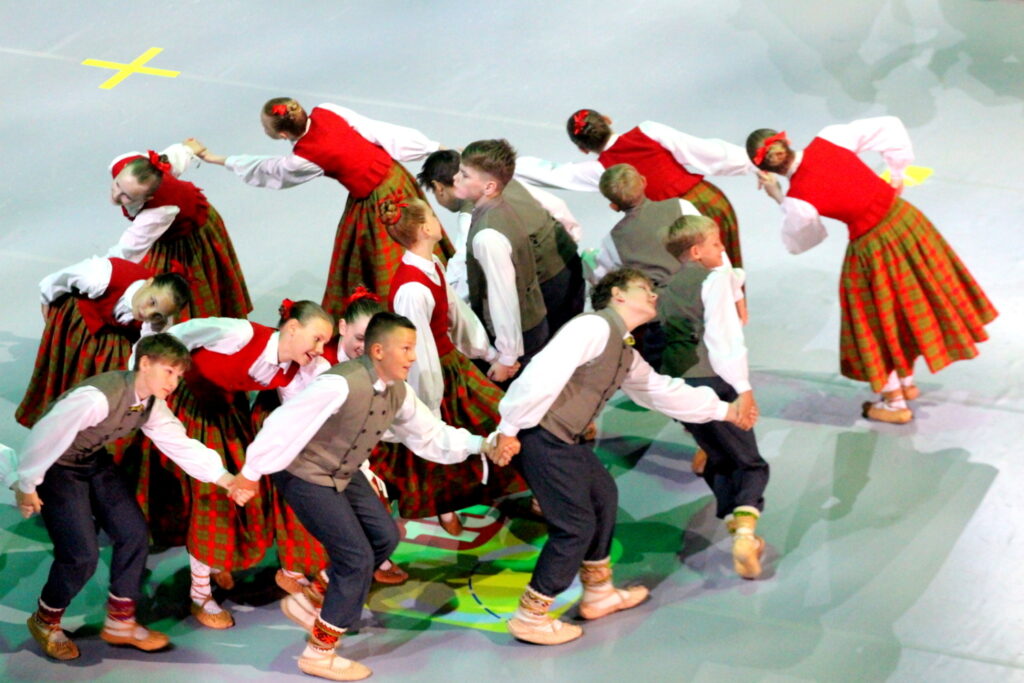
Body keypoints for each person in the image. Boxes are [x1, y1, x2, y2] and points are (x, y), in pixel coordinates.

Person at [231, 312, 519, 681]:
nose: (413, 357)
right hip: (304, 474)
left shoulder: (399, 391)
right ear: (379, 350)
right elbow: (282, 425)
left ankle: (314, 595)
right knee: (356, 558)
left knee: (384, 536)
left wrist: (482, 444)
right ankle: (319, 652)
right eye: (406, 348)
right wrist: (250, 473)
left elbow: (431, 435)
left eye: (413, 348)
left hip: (344, 471)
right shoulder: (337, 384)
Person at [496, 268, 756, 645]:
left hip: (562, 438)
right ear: (617, 294)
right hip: (540, 436)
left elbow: (659, 391)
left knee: (603, 495)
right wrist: (508, 427)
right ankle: (530, 616)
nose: (653, 294)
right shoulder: (592, 328)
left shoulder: (623, 349)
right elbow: (542, 374)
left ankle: (599, 593)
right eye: (644, 288)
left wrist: (726, 411)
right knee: (575, 525)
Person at [747, 117, 997, 423]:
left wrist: (778, 196)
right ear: (786, 142)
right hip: (906, 222)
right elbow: (889, 127)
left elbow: (803, 240)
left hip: (873, 248)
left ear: (765, 170)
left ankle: (895, 403)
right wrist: (897, 174)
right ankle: (906, 381)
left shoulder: (799, 198)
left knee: (874, 321)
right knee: (913, 303)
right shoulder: (830, 139)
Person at [2, 334, 233, 661]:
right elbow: (46, 434)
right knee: (81, 554)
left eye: (179, 375)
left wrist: (225, 478)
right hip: (57, 466)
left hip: (93, 460)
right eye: (169, 371)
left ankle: (120, 622)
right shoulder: (96, 398)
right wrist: (27, 483)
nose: (174, 382)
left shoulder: (151, 403)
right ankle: (45, 619)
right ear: (145, 363)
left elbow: (178, 443)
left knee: (134, 532)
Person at [148, 301, 335, 628]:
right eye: (316, 339)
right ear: (292, 328)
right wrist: (149, 382)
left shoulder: (298, 368)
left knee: (242, 499)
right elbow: (176, 336)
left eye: (325, 343)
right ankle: (199, 593)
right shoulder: (240, 333)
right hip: (191, 412)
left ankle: (216, 564)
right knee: (211, 501)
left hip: (230, 417)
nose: (320, 349)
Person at [189, 99, 452, 316]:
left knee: (377, 256)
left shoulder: (303, 158)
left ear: (282, 135)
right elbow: (378, 130)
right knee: (417, 233)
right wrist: (433, 148)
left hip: (374, 200)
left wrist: (214, 158)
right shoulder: (328, 110)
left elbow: (268, 169)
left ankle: (400, 307)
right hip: (397, 178)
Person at [379, 196, 528, 534]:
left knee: (497, 419)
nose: (438, 220)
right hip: (431, 377)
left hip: (451, 364)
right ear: (424, 229)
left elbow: (456, 315)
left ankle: (509, 485)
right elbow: (417, 353)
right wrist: (428, 404)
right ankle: (444, 507)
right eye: (432, 216)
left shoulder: (431, 264)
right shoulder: (411, 290)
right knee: (436, 446)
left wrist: (488, 354)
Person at [661, 215, 769, 579]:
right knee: (750, 463)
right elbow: (725, 340)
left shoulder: (666, 285)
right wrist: (744, 391)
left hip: (680, 386)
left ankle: (736, 524)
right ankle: (746, 536)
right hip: (716, 380)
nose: (723, 249)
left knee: (718, 457)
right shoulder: (714, 281)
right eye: (716, 243)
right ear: (696, 251)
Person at [515, 109, 752, 266]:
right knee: (727, 269)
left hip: (677, 224)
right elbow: (707, 151)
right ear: (607, 120)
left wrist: (503, 165)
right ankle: (734, 312)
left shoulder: (601, 170)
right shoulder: (650, 130)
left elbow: (554, 173)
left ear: (583, 149)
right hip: (710, 201)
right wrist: (753, 161)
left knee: (700, 282)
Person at [15, 255, 189, 427]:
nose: (148, 313)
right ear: (148, 283)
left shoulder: (159, 322)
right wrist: (47, 301)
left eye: (157, 314)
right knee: (66, 366)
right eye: (151, 302)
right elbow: (59, 279)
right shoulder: (101, 276)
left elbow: (144, 348)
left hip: (114, 334)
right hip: (80, 321)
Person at [418, 149, 583, 302]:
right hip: (569, 261)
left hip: (545, 283)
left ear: (439, 187)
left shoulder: (470, 214)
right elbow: (557, 205)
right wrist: (570, 240)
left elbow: (464, 269)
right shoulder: (500, 181)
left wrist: (446, 302)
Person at [109, 142, 252, 318]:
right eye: (117, 185)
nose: (115, 195)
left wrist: (99, 272)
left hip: (188, 231)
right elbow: (167, 160)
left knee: (173, 289)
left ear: (149, 197)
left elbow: (127, 249)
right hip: (161, 228)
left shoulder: (157, 213)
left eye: (127, 196)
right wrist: (188, 149)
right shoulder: (126, 163)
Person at [452, 139, 549, 387]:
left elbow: (503, 298)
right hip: (530, 322)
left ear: (489, 186)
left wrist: (507, 357)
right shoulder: (498, 208)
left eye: (464, 175)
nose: (456, 178)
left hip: (517, 335)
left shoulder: (487, 237)